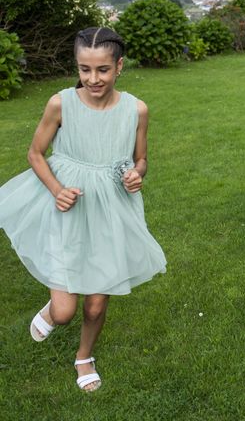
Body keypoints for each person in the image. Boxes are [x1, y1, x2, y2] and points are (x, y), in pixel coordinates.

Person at [0, 27, 167, 391]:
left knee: (94, 304)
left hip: (111, 208)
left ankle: (84, 356)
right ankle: (51, 311)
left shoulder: (136, 109)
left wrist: (137, 175)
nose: (93, 79)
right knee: (65, 310)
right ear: (77, 67)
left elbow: (140, 159)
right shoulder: (61, 103)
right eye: (84, 69)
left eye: (103, 70)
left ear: (119, 66)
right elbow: (34, 153)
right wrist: (57, 190)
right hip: (68, 206)